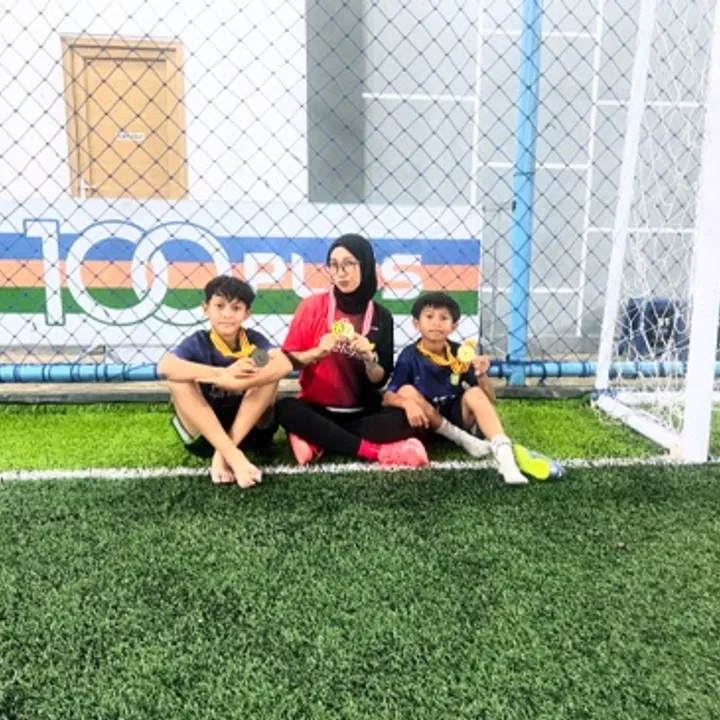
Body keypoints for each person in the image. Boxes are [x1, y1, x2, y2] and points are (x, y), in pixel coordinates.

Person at [275, 234, 428, 467]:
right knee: (285, 408)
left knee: (407, 421)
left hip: (363, 412)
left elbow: (380, 379)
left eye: (348, 264)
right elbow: (288, 361)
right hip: (316, 409)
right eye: (334, 265)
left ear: (365, 266)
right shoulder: (311, 307)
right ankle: (376, 452)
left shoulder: (381, 316)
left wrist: (369, 359)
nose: (341, 273)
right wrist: (316, 353)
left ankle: (319, 437)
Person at [383, 292, 563, 485]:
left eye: (444, 318)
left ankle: (505, 458)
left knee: (474, 393)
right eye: (429, 316)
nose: (436, 323)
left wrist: (481, 373)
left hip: (458, 416)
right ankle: (464, 440)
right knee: (406, 391)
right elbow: (388, 397)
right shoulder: (409, 355)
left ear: (454, 326)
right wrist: (408, 405)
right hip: (427, 424)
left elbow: (489, 398)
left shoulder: (461, 352)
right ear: (416, 324)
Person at [158, 276, 292, 488]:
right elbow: (165, 366)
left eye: (236, 308)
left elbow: (282, 363)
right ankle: (233, 455)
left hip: (250, 435)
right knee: (178, 380)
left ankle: (223, 455)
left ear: (247, 314)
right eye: (219, 306)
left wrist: (239, 383)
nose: (227, 314)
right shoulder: (199, 343)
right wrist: (222, 374)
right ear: (205, 309)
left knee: (269, 376)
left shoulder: (252, 344)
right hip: (205, 437)